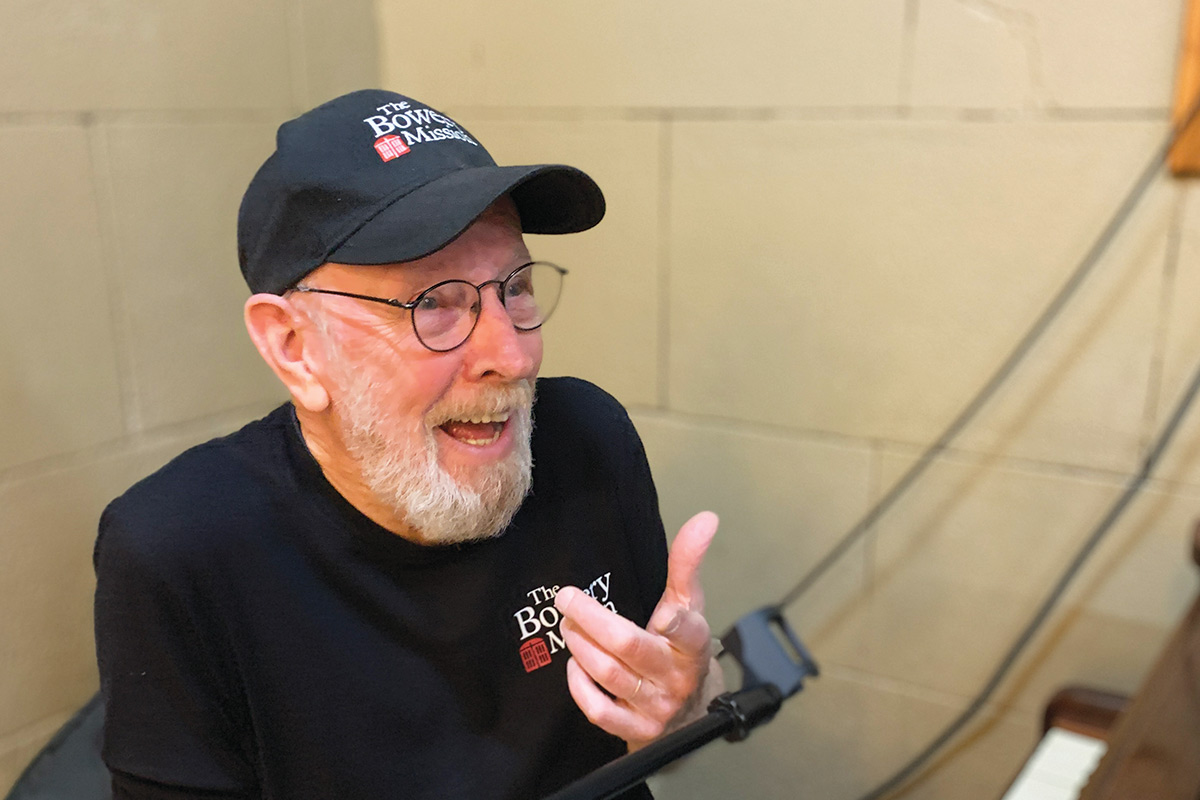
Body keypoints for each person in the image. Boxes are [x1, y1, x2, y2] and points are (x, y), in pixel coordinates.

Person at [93, 89, 723, 800]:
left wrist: (687, 701)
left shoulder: (586, 441)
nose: (513, 357)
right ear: (295, 348)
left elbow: (657, 725)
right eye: (433, 303)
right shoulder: (182, 549)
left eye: (514, 286)